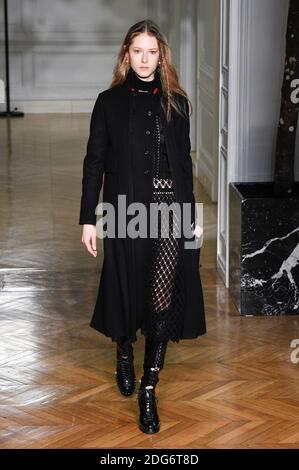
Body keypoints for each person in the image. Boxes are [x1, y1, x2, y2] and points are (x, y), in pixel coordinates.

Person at [79, 19, 206, 434]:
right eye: (138, 51)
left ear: (161, 55)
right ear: (126, 54)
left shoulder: (178, 103)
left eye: (153, 52)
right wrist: (87, 219)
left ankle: (150, 386)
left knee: (160, 299)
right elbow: (94, 162)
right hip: (122, 212)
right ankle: (122, 350)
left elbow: (184, 165)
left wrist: (192, 217)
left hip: (168, 212)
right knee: (124, 290)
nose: (145, 59)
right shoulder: (108, 102)